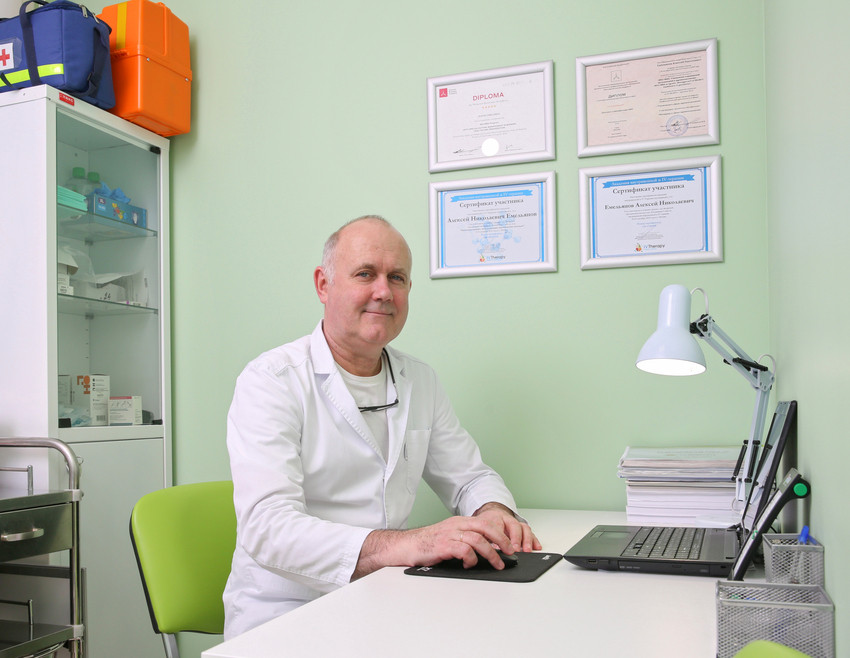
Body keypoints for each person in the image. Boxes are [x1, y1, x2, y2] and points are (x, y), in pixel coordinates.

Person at [223, 215, 540, 639]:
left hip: (385, 597)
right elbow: (268, 528)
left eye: (397, 278)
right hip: (286, 614)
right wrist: (409, 544)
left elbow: (469, 477)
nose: (384, 292)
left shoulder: (420, 380)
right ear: (323, 285)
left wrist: (493, 511)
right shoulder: (272, 380)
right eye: (365, 274)